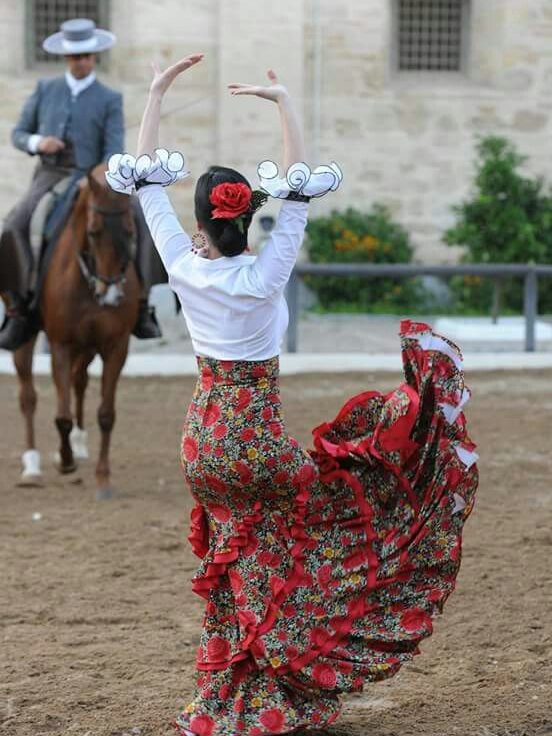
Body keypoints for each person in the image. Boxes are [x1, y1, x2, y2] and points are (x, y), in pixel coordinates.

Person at [107, 55, 479, 736]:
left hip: (201, 446)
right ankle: (284, 669)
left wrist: (157, 91)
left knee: (240, 564)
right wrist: (284, 102)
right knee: (337, 509)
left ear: (202, 223)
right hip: (258, 448)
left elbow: (149, 183)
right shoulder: (266, 275)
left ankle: (227, 693)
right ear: (248, 218)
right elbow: (299, 193)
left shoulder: (183, 266)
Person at [0, 17, 163, 351]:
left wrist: (93, 181)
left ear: (94, 57)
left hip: (96, 179)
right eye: (76, 57)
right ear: (67, 57)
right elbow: (18, 134)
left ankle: (143, 304)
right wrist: (39, 142)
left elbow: (114, 149)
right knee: (15, 223)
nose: (82, 62)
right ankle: (17, 307)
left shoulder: (109, 97)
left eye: (87, 56)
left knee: (141, 219)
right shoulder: (45, 90)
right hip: (51, 176)